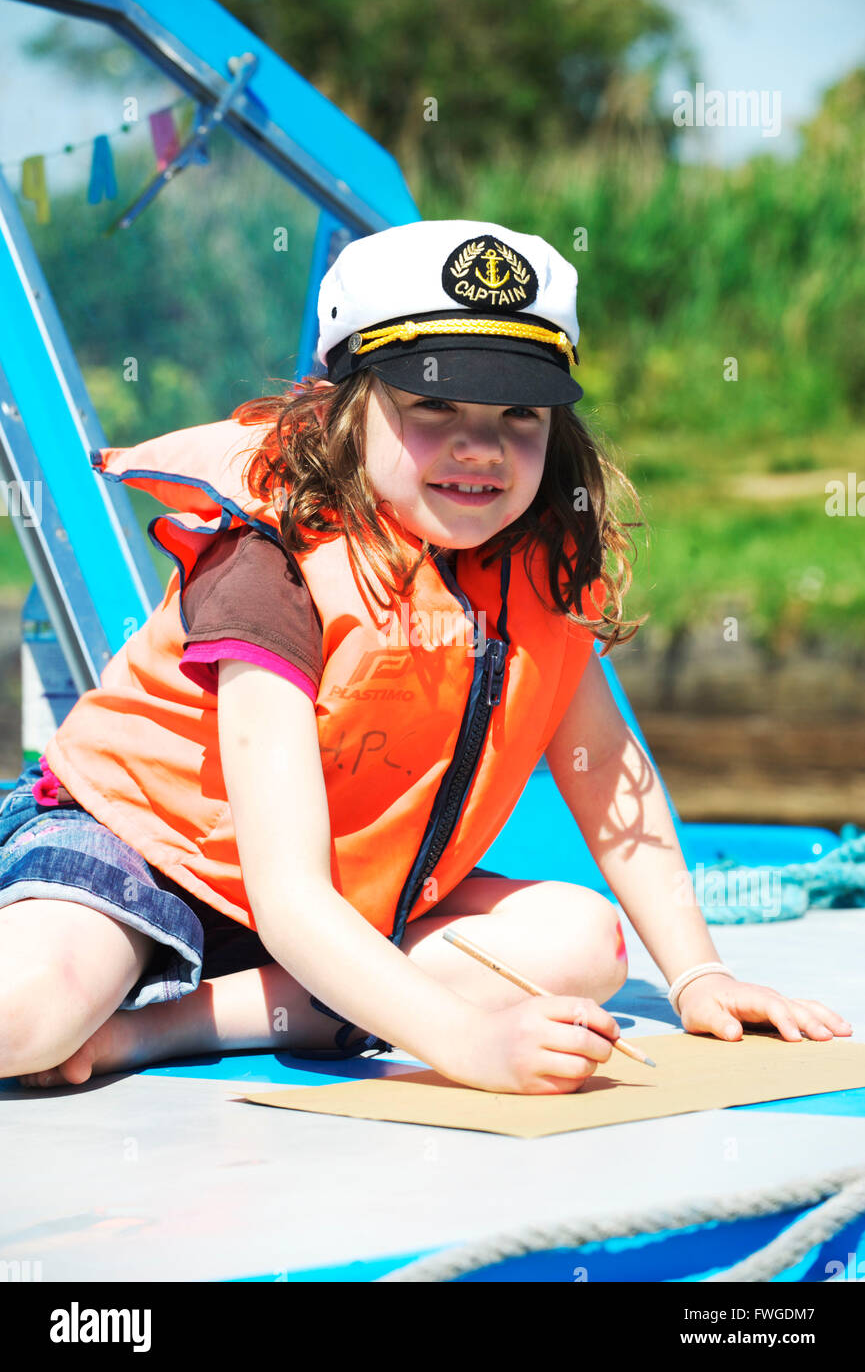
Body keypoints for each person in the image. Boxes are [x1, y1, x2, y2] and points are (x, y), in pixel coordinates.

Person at [0, 219, 851, 1094]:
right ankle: (117, 994)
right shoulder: (275, 560)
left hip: (335, 911)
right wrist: (467, 1045)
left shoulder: (537, 569)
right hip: (145, 857)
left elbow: (606, 776)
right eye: (434, 405)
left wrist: (697, 974)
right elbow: (288, 897)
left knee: (581, 943)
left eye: (517, 413)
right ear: (343, 407)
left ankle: (161, 1026)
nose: (479, 446)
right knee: (29, 1013)